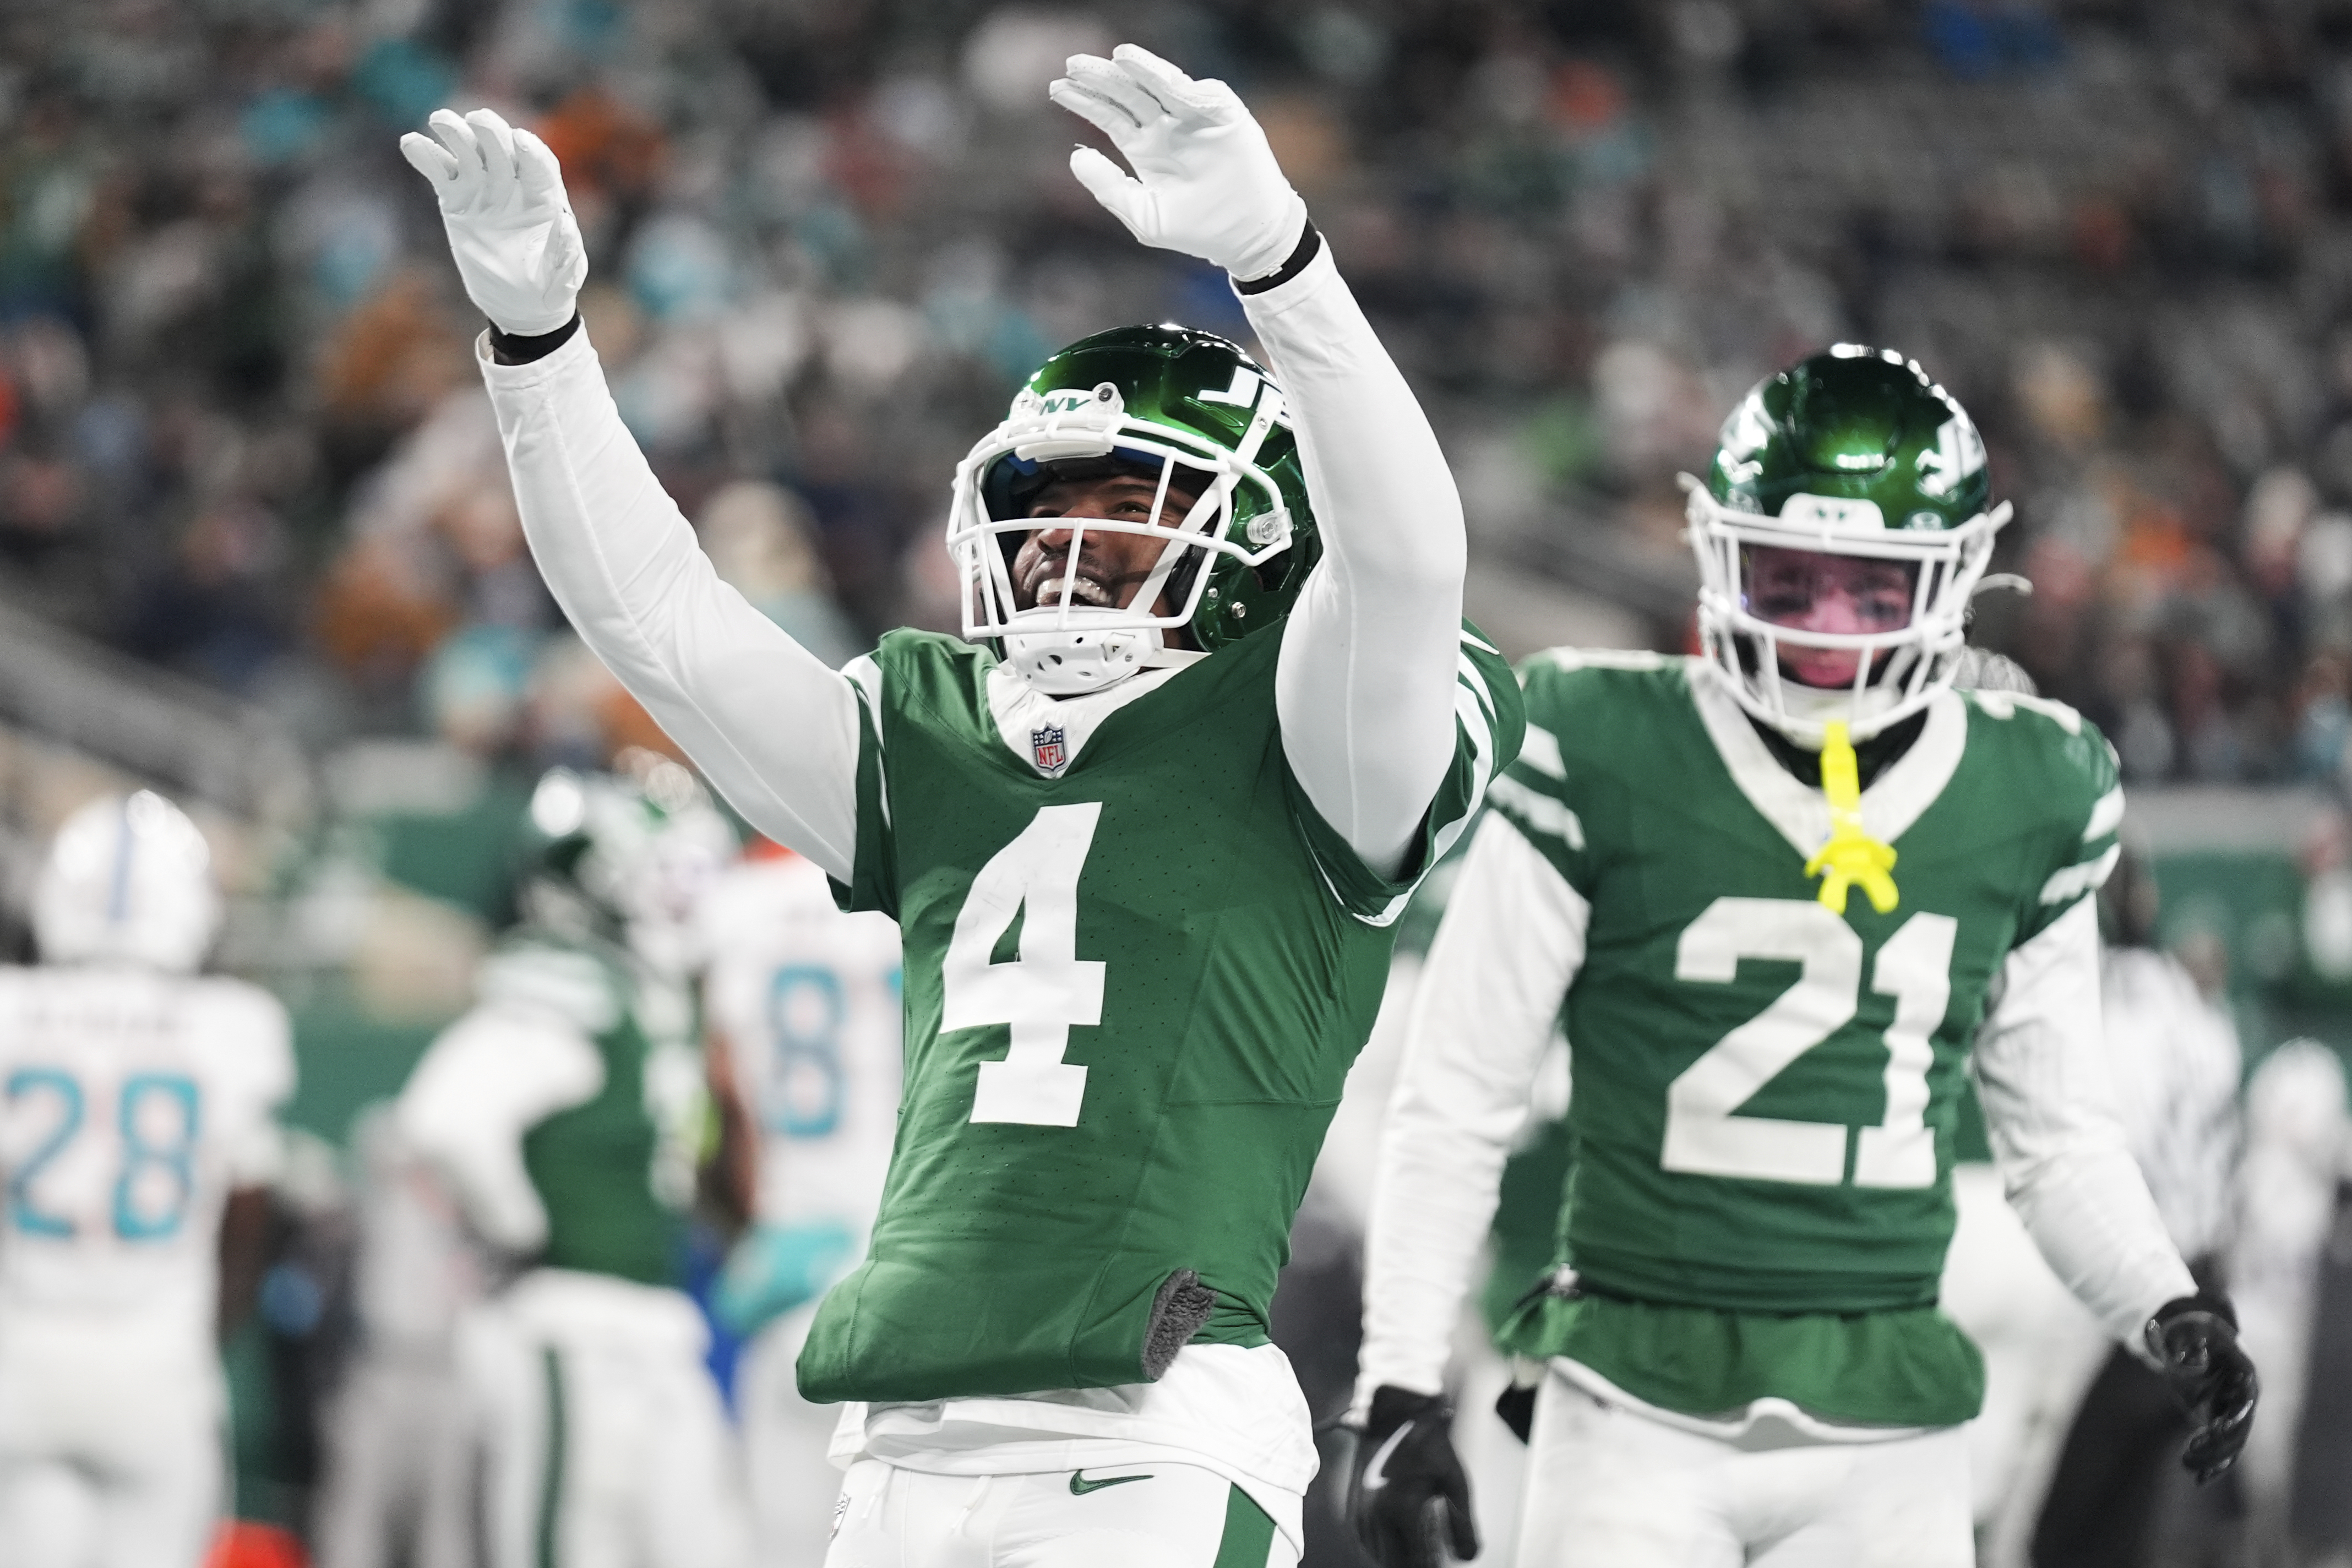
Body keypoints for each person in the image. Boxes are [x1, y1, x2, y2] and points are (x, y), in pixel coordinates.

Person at [401, 41, 1520, 1567]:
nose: (1066, 556)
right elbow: (659, 622)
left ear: (1261, 535)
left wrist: (1282, 264)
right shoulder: (933, 734)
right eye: (1042, 517)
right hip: (905, 1440)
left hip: (1152, 1427)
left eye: (1125, 517)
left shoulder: (1311, 742)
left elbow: (1403, 563)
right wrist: (538, 345)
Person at [1347, 347, 2258, 1567]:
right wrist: (1399, 1381)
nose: (1824, 631)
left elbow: (2058, 1137)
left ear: (1955, 580)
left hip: (1889, 1422)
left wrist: (2162, 1301)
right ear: (1719, 550)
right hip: (1632, 1401)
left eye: (1872, 591)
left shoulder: (2032, 782)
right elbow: (1458, 1095)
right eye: (1790, 579)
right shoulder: (1600, 743)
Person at [397, 756, 753, 1568]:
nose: (692, 893)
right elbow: (446, 1119)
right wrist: (524, 1225)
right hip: (570, 1328)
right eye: (673, 872)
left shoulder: (647, 993)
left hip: (657, 1331)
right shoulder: (567, 982)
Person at [0, 791, 295, 1568]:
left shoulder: (12, 1010)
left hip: (23, 1352)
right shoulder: (233, 1024)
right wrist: (203, 1340)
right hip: (158, 1361)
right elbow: (249, 1208)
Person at [698, 840, 903, 1566]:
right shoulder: (900, 888)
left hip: (791, 1257)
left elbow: (726, 1091)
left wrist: (766, 1218)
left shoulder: (732, 907)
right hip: (901, 1253)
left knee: (777, 1541)